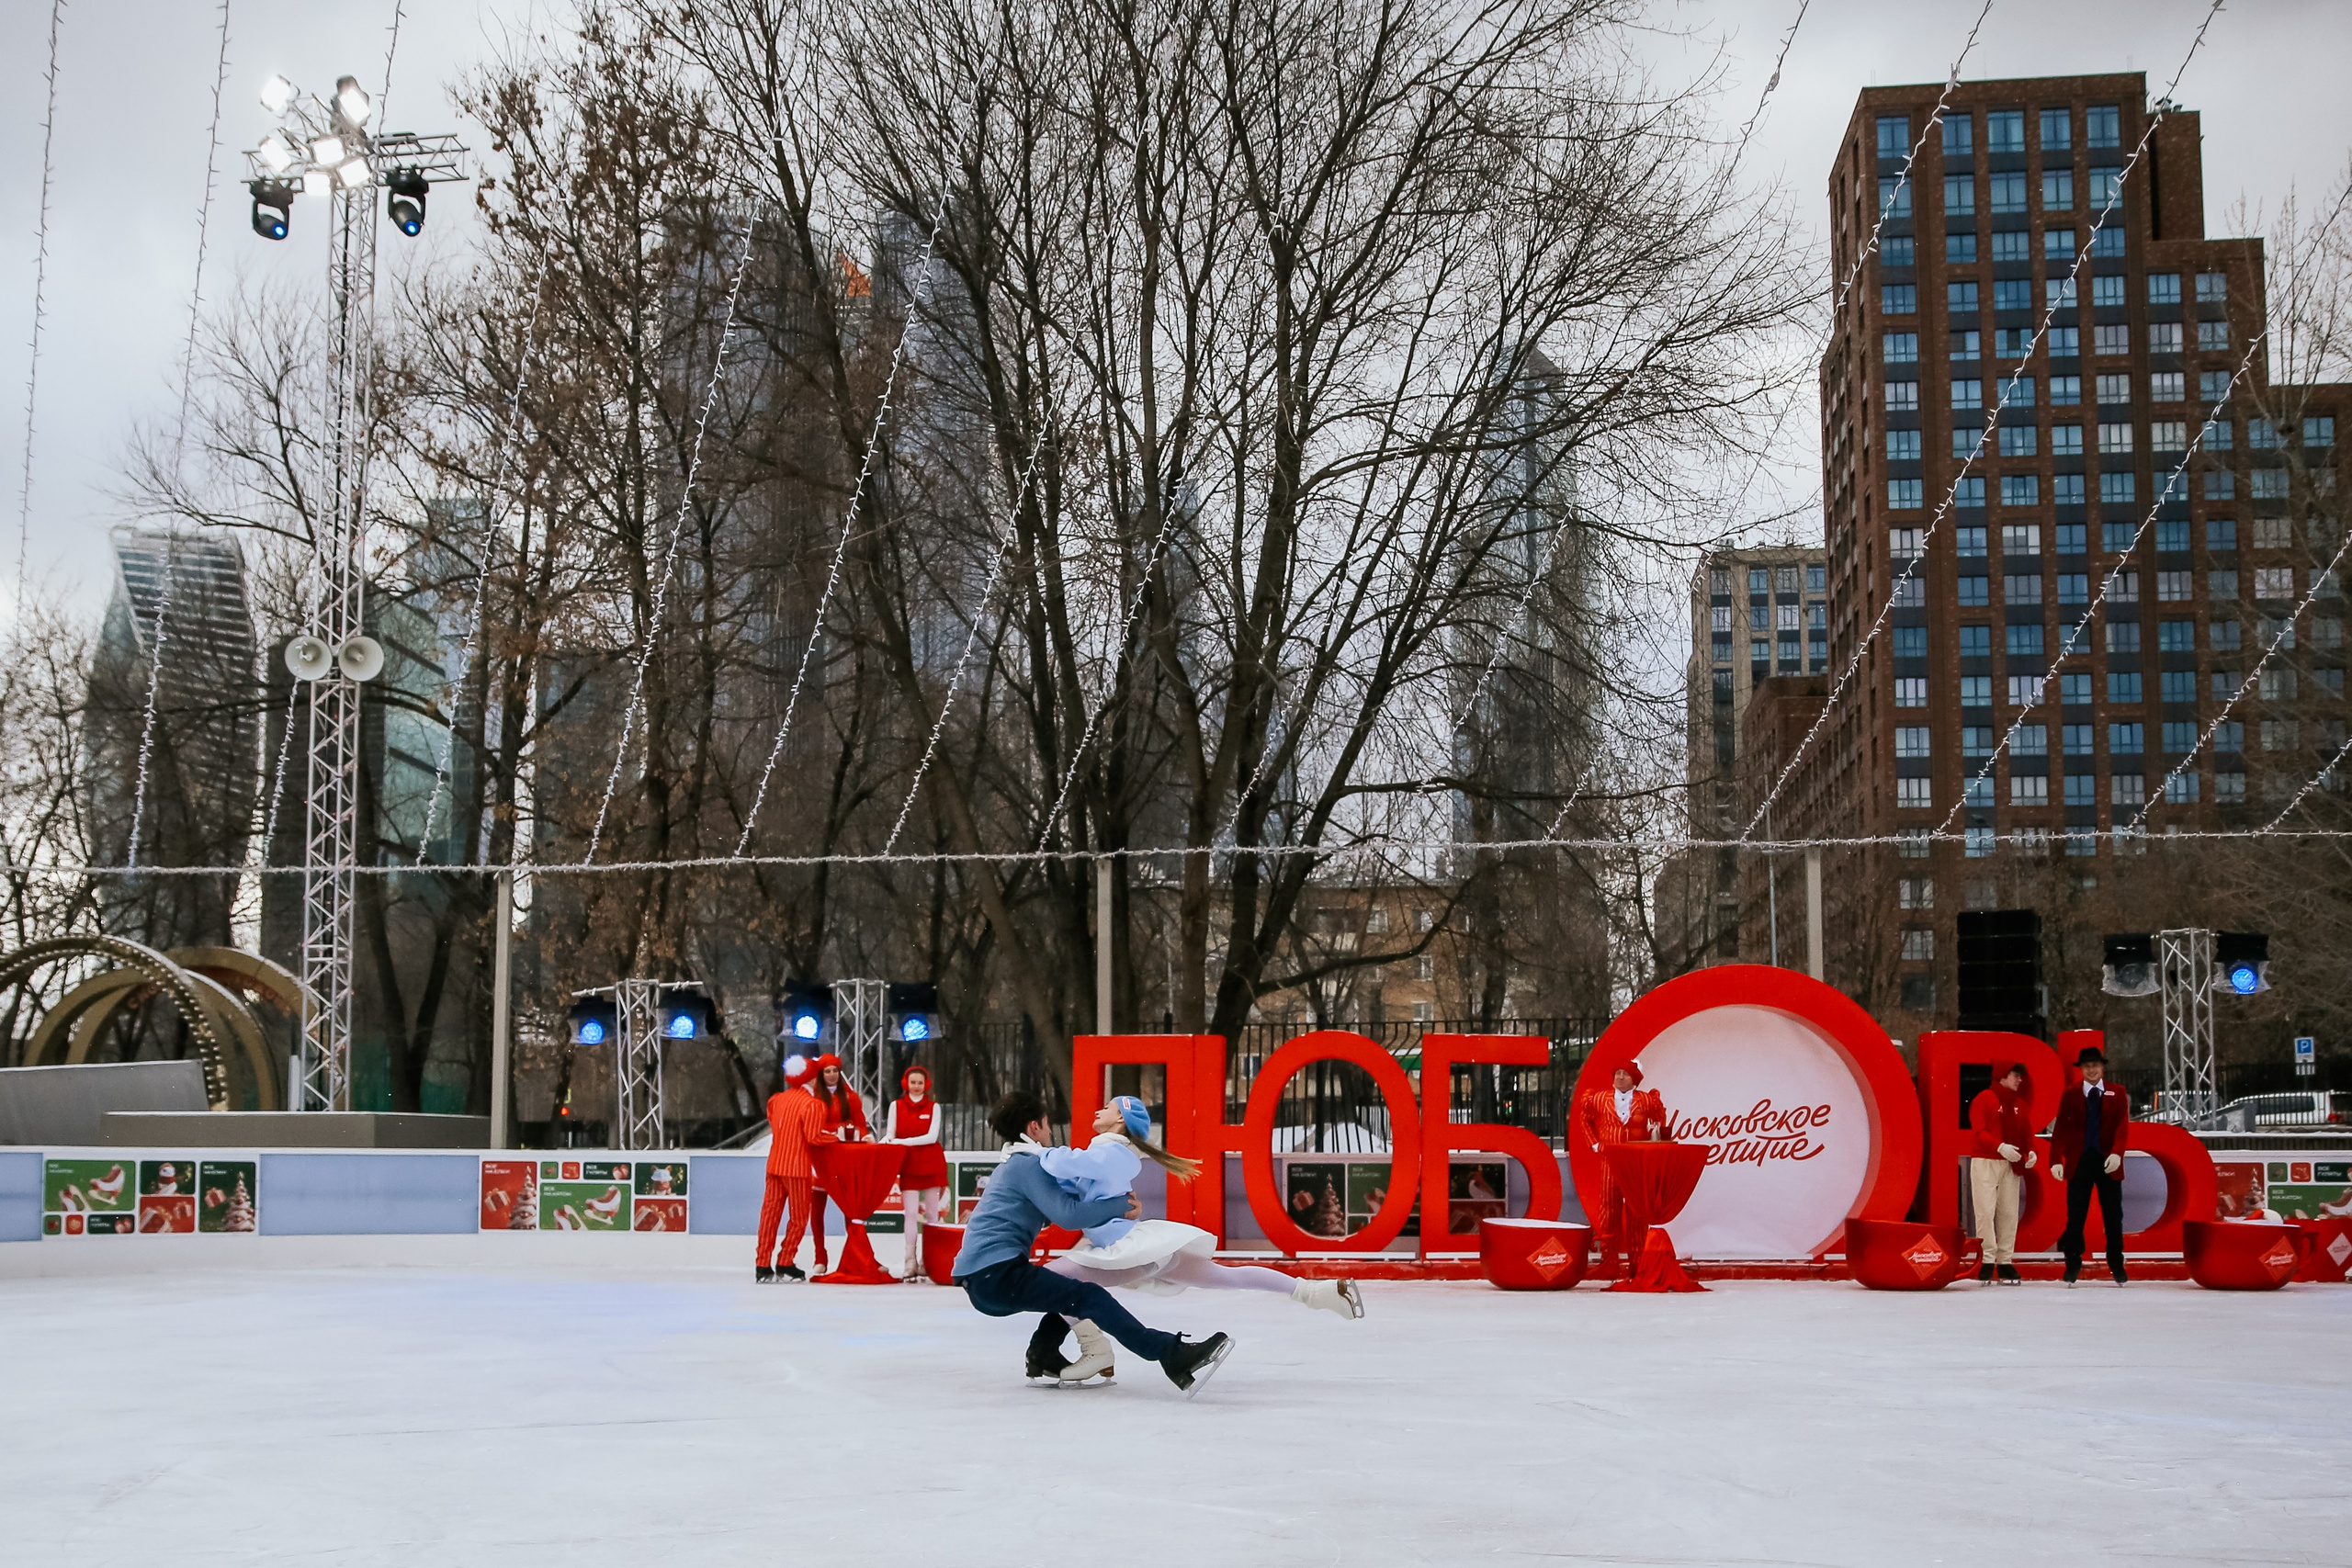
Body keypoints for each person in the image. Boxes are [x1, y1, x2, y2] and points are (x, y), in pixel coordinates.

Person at [1038, 1096, 1363, 1384]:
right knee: (1227, 1277)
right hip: (1140, 1247)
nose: (1098, 1110)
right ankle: (1317, 1293)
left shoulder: (1112, 1151)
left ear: (1121, 1118)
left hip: (1125, 1250)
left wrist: (1035, 1153)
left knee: (1050, 1281)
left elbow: (1068, 1163)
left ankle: (1095, 1350)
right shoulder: (1106, 1151)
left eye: (1107, 1107)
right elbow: (1070, 1183)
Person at [952, 1090, 1233, 1397]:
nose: (1050, 1133)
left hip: (985, 1278)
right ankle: (1170, 1353)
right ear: (1034, 1127)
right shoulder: (1027, 1164)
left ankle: (1043, 1354)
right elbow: (1069, 1215)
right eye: (1047, 1125)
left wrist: (1111, 1200)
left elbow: (1054, 1208)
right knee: (1088, 1296)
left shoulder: (1016, 1164)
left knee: (1068, 1291)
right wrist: (1120, 1206)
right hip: (995, 1275)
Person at [1574, 1061, 1668, 1280]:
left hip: (1636, 1163)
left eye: (1625, 1074)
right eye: (1617, 1073)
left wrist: (1650, 1141)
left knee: (1637, 1213)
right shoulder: (1598, 1099)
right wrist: (1594, 1144)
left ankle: (1639, 1264)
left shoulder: (1647, 1100)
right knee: (1609, 1211)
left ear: (1634, 1078)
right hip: (1610, 1160)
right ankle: (1609, 1262)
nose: (1620, 1077)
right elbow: (1584, 1119)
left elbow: (1659, 1119)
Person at [754, 1054, 840, 1282]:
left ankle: (762, 1263)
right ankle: (785, 1260)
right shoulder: (813, 1105)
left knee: (770, 1214)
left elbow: (776, 1124)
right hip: (797, 1168)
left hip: (775, 1164)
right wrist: (836, 1138)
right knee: (799, 1218)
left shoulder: (777, 1100)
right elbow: (813, 1137)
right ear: (812, 1079)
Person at [2051, 1044, 2130, 1287]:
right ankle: (2072, 1263)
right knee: (2076, 1215)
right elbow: (2061, 1129)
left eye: (2095, 1065)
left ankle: (2116, 1263)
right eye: (2087, 1066)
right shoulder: (2070, 1094)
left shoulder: (2117, 1092)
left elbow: (2122, 1127)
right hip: (2080, 1161)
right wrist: (2055, 1159)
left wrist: (2117, 1153)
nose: (2092, 1070)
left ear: (2102, 1067)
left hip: (2107, 1162)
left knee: (2113, 1215)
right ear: (2081, 1069)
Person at [1967, 1063, 2037, 1285]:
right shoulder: (1984, 1099)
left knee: (2008, 1212)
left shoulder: (2018, 1104)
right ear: (2002, 1076)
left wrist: (2031, 1150)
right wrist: (1999, 1146)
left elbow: (2026, 1133)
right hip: (1986, 1160)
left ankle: (2005, 1260)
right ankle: (1987, 1259)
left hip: (2010, 1163)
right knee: (1985, 1211)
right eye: (2015, 1075)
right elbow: (1979, 1131)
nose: (2019, 1080)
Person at [883, 1064, 951, 1280]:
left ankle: (928, 1260)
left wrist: (902, 1141)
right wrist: (888, 1142)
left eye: (920, 1083)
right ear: (906, 1083)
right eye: (913, 1082)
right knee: (911, 1213)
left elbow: (931, 1137)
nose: (916, 1086)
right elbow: (890, 1134)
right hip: (909, 1165)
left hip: (931, 1164)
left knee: (932, 1215)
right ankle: (910, 1260)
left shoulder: (934, 1107)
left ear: (926, 1084)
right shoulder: (895, 1106)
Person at [808, 1054, 871, 1273]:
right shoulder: (814, 1098)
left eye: (835, 1071)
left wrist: (864, 1136)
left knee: (850, 1209)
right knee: (817, 1210)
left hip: (844, 1158)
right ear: (821, 1074)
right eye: (827, 1071)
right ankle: (820, 1256)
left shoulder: (851, 1097)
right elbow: (813, 1128)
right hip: (821, 1158)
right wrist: (837, 1131)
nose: (832, 1075)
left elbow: (861, 1124)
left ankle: (856, 1254)